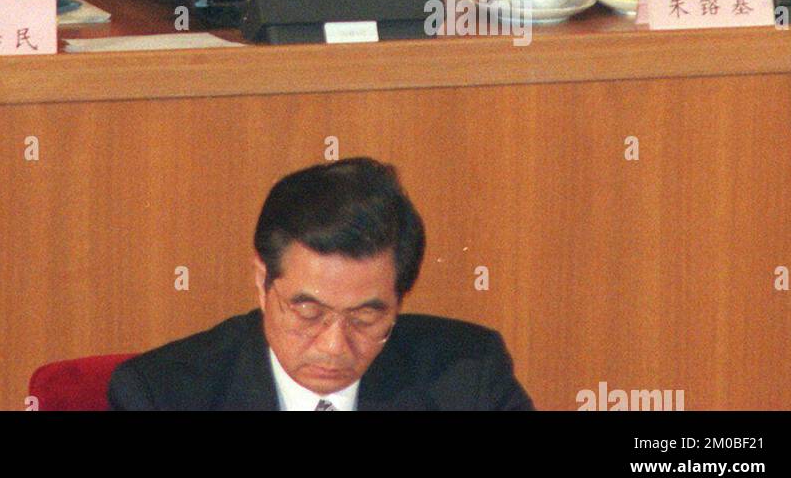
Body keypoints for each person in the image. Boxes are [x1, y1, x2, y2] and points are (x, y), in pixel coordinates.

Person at [109, 157, 533, 410]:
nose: (333, 346)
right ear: (262, 282)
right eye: (309, 312)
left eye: (366, 317)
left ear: (398, 301)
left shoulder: (468, 380)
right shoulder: (164, 395)